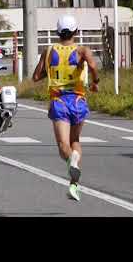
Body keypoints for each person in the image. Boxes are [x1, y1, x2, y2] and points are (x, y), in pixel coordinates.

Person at [32, 15, 100, 201]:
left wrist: (50, 71)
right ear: (76, 31)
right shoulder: (82, 50)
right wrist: (95, 83)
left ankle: (72, 163)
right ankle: (73, 185)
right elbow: (93, 67)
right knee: (75, 139)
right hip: (78, 101)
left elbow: (36, 76)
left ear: (57, 32)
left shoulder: (48, 51)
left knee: (63, 146)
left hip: (59, 102)